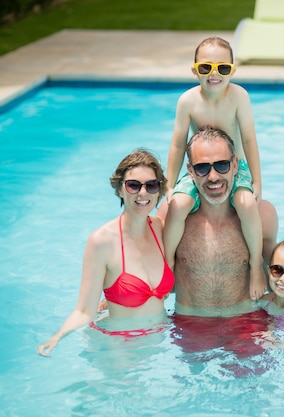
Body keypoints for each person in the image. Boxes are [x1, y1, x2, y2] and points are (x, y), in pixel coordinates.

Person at [37, 149, 173, 357]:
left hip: (159, 343)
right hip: (118, 346)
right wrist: (58, 336)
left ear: (159, 190)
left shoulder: (160, 229)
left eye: (151, 185)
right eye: (133, 185)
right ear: (120, 189)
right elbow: (84, 310)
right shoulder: (102, 241)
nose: (143, 193)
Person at [164, 36, 265, 301]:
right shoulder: (187, 101)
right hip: (199, 168)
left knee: (245, 204)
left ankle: (255, 266)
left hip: (236, 166)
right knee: (177, 206)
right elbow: (177, 145)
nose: (214, 75)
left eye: (223, 68)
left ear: (232, 70)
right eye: (206, 68)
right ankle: (168, 266)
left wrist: (256, 181)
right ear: (195, 70)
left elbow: (249, 139)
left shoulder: (239, 96)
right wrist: (170, 184)